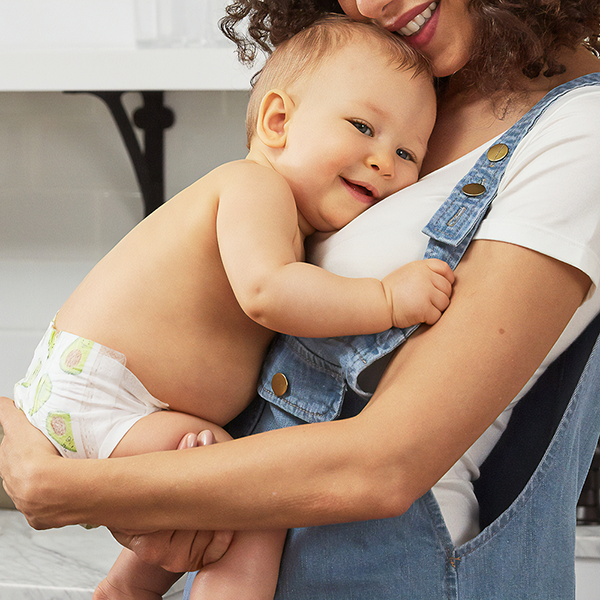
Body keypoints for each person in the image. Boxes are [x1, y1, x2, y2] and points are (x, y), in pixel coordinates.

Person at [1, 1, 599, 598]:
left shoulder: (579, 133)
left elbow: (385, 466)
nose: (368, 4)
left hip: (390, 572)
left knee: (253, 517)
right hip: (232, 504)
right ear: (278, 119)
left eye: (405, 156)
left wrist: (73, 487)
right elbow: (266, 296)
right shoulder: (392, 103)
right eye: (363, 129)